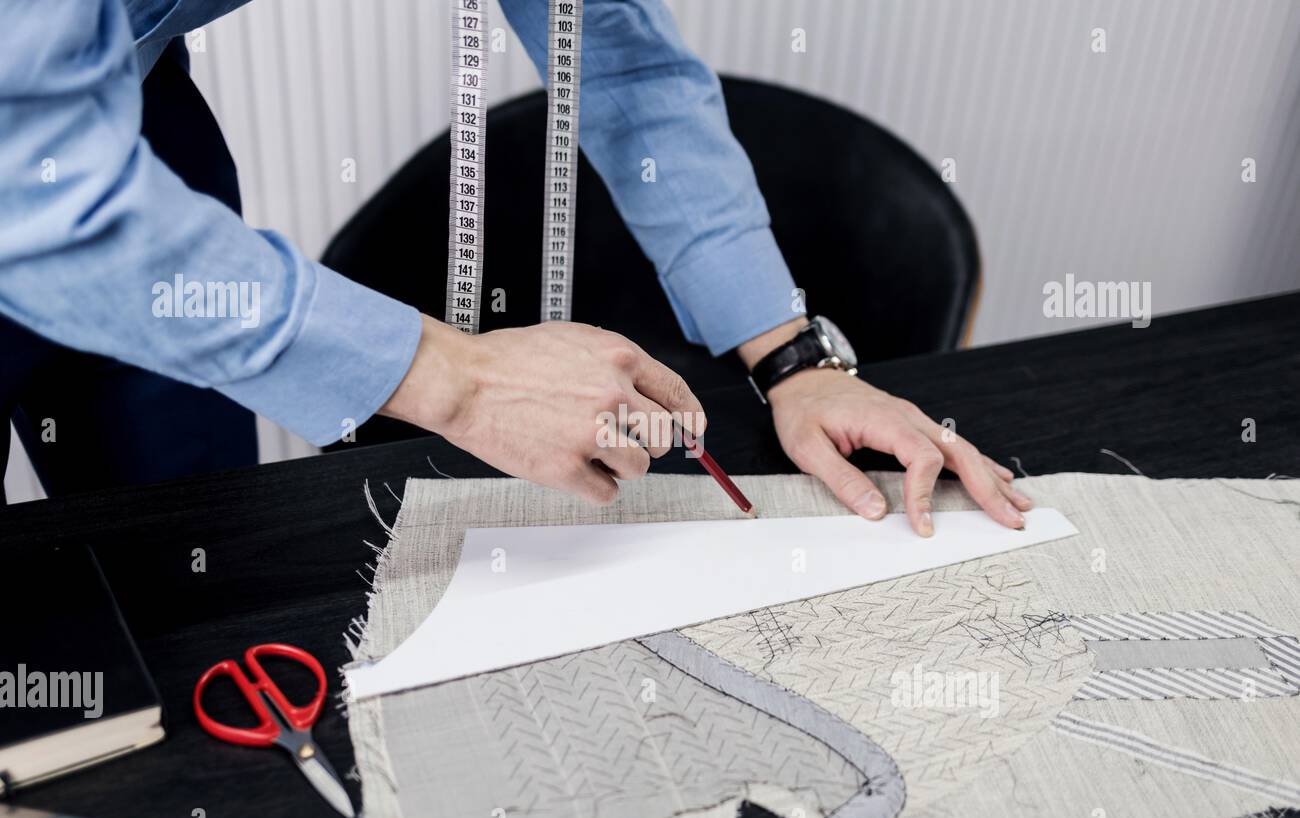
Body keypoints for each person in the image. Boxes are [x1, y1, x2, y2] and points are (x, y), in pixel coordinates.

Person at [0, 0, 1032, 535]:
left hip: (120, 102)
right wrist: (462, 377)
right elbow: (38, 203)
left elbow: (617, 52)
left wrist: (791, 356)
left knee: (194, 560)